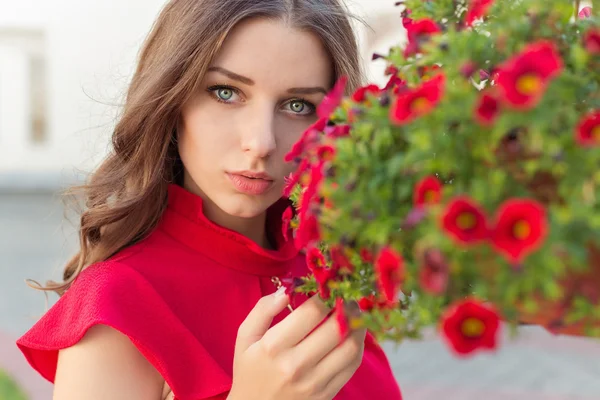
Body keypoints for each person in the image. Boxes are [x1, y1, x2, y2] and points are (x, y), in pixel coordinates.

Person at [16, 0, 403, 399]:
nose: (261, 142)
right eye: (226, 92)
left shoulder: (327, 269)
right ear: (172, 99)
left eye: (297, 105)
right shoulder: (118, 305)